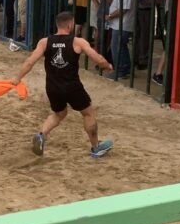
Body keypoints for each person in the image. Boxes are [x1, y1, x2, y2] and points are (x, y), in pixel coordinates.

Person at [12, 11, 114, 158]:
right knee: (88, 113)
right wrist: (108, 65)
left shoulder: (44, 42)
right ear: (70, 24)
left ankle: (41, 135)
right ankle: (96, 147)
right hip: (72, 86)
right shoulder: (78, 42)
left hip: (52, 87)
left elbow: (29, 62)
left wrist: (17, 78)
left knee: (59, 113)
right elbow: (97, 58)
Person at [106, 0, 135, 79]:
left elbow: (124, 8)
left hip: (122, 24)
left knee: (117, 47)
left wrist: (110, 16)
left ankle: (121, 70)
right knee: (121, 46)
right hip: (119, 23)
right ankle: (125, 68)